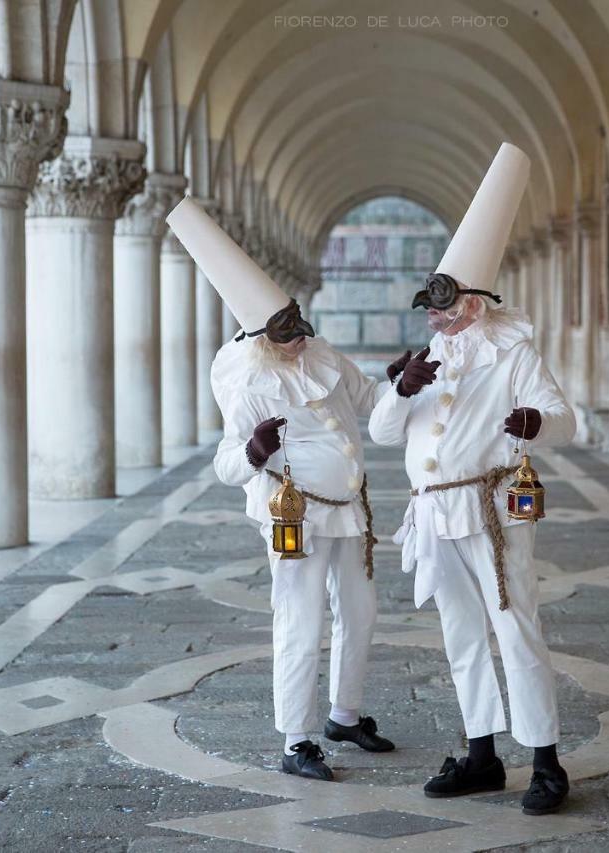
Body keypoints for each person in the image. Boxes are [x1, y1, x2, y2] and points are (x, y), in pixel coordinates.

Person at [368, 143, 575, 815]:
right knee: (460, 635)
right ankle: (483, 756)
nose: (434, 316)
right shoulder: (424, 360)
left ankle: (545, 760)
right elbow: (380, 432)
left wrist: (531, 422)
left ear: (474, 304)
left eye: (445, 305)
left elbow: (564, 416)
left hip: (492, 510)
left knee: (517, 629)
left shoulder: (511, 351)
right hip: (433, 516)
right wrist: (401, 388)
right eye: (431, 306)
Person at [166, 198, 399, 782]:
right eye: (286, 330)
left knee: (361, 611)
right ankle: (297, 738)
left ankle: (344, 715)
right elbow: (225, 464)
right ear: (260, 332)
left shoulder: (321, 353)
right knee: (300, 619)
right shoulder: (246, 381)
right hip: (294, 516)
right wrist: (255, 452)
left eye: (298, 321)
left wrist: (403, 380)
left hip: (351, 506)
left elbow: (369, 400)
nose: (299, 337)